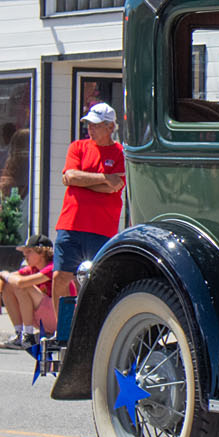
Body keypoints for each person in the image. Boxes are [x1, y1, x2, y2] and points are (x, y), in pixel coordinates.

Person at [53, 102, 126, 307]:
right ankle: (62, 333)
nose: (90, 129)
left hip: (102, 227)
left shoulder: (121, 153)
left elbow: (113, 188)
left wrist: (80, 183)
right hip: (71, 223)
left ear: (110, 127)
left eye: (95, 125)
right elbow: (70, 175)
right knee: (60, 276)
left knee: (93, 281)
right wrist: (104, 177)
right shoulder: (77, 147)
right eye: (88, 124)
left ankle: (87, 329)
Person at [0, 233, 55, 349]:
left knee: (21, 285)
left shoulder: (52, 267)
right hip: (43, 316)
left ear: (42, 252)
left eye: (29, 252)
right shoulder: (32, 269)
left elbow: (20, 283)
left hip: (57, 318)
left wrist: (4, 274)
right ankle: (19, 334)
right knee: (8, 286)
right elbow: (1, 278)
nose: (25, 255)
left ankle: (28, 336)